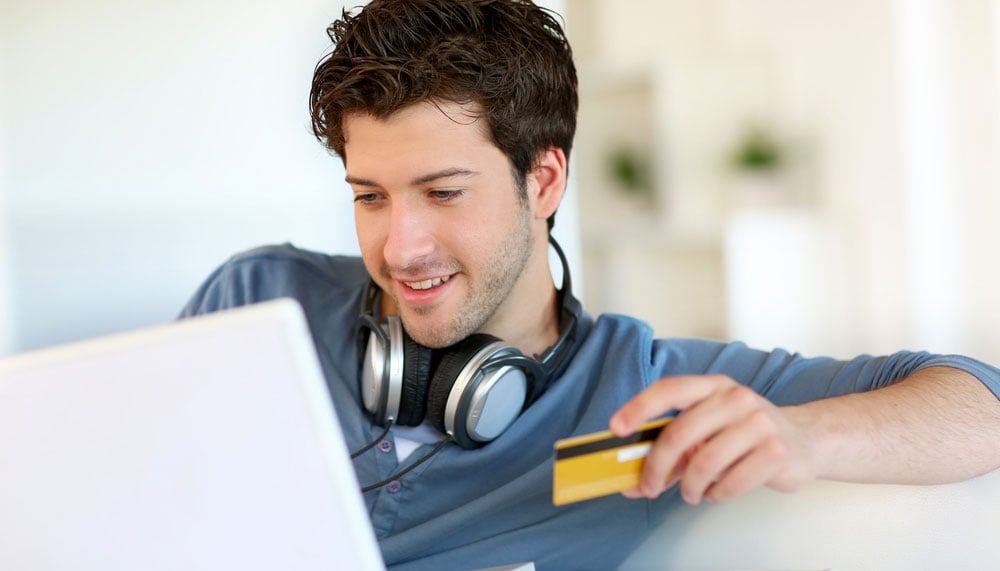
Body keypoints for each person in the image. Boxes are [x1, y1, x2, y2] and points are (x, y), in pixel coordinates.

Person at [179, 1, 1000, 569]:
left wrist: (805, 435)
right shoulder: (259, 296)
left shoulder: (637, 389)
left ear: (543, 181)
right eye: (369, 196)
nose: (401, 246)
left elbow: (981, 402)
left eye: (443, 192)